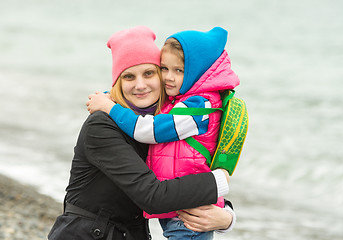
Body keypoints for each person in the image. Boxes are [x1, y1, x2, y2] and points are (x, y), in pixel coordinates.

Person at [48, 26, 234, 240]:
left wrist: (226, 217)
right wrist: (219, 181)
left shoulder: (165, 124)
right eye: (128, 76)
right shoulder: (101, 126)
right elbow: (154, 196)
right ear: (118, 82)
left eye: (149, 73)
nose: (140, 85)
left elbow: (185, 174)